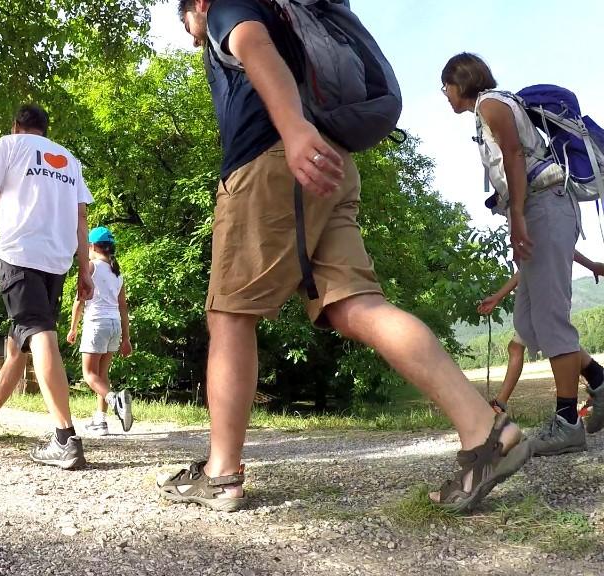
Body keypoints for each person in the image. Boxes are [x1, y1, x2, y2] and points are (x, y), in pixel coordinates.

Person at [160, 0, 529, 513]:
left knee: (230, 315)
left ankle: (221, 473)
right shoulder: (294, 13)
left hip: (273, 165)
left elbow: (251, 44)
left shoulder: (227, 4)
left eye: (189, 25)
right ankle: (485, 428)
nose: (194, 39)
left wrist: (290, 130)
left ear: (195, 6)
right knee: (358, 305)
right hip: (332, 164)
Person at [442, 52, 604, 456]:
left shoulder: (492, 104)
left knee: (550, 316)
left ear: (461, 82)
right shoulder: (488, 110)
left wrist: (517, 217)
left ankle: (567, 423)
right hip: (539, 208)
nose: (444, 94)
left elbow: (514, 155)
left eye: (445, 85)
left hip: (541, 205)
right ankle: (600, 383)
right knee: (529, 322)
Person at [0, 103, 94, 470]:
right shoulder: (70, 161)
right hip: (57, 262)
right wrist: (85, 269)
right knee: (19, 344)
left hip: (19, 255)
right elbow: (81, 219)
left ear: (16, 126)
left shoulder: (8, 145)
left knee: (39, 332)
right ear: (45, 131)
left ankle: (65, 437)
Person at [478, 252, 604, 417]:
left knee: (555, 339)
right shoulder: (530, 233)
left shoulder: (530, 229)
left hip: (543, 290)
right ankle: (597, 380)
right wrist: (497, 297)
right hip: (537, 288)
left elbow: (558, 241)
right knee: (522, 345)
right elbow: (525, 269)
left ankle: (575, 407)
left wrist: (591, 265)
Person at [66, 226, 135, 435]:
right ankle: (101, 422)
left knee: (89, 375)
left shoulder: (90, 267)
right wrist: (126, 338)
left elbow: (79, 301)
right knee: (102, 375)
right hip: (114, 324)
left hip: (96, 323)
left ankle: (115, 401)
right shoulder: (118, 273)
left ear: (93, 246)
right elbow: (123, 307)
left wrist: (73, 328)